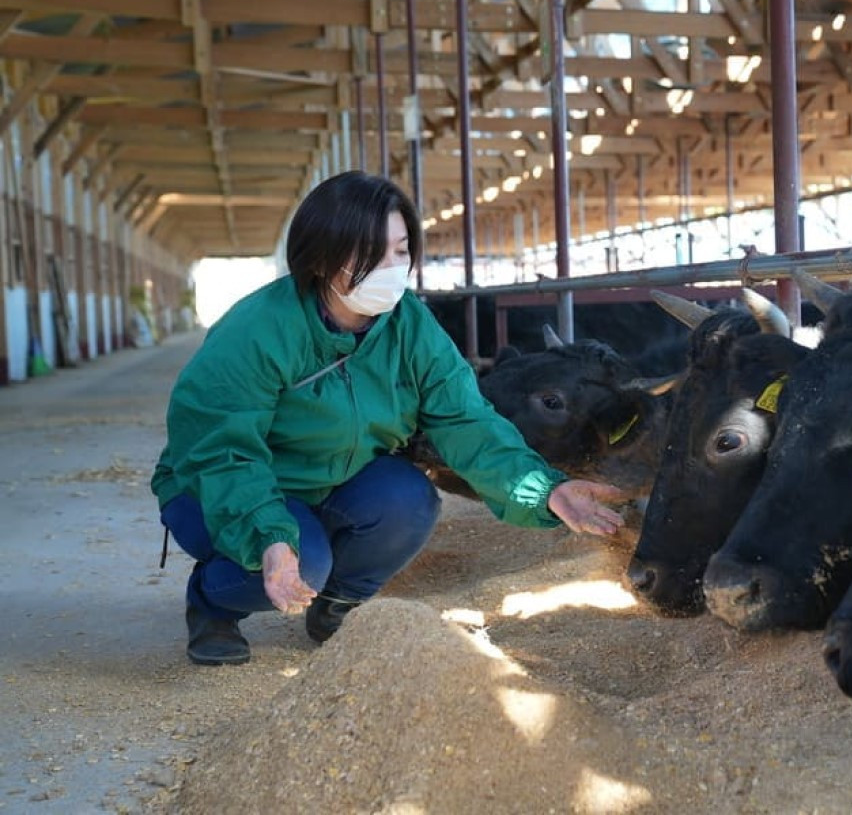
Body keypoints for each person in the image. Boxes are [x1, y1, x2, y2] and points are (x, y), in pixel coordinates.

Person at [151, 171, 625, 666]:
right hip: (221, 486)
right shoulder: (257, 331)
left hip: (331, 477)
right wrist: (270, 534)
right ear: (321, 256)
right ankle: (210, 603)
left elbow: (467, 421)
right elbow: (225, 452)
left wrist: (544, 489)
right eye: (370, 254)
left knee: (410, 499)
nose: (392, 268)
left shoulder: (410, 326)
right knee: (303, 561)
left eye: (401, 251)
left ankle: (337, 604)